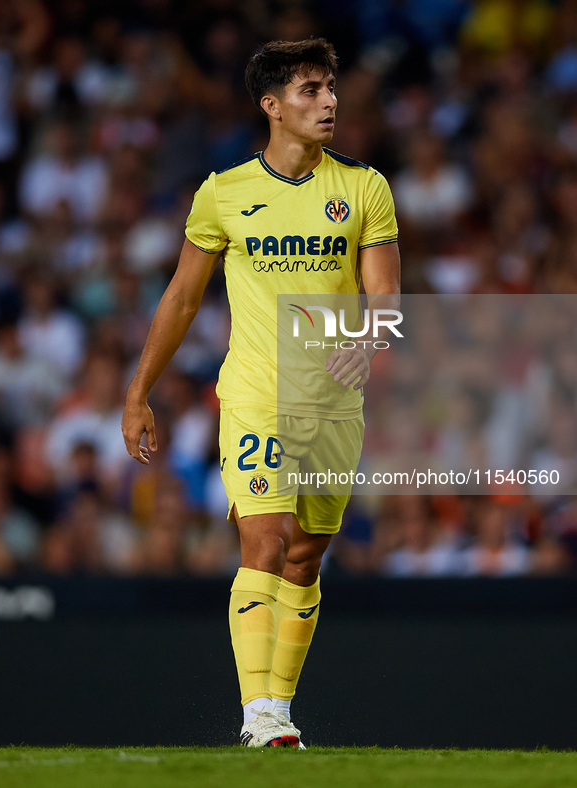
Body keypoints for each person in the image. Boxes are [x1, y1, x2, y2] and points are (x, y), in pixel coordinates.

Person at [121, 38, 400, 748]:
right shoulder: (223, 193)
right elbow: (182, 298)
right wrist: (138, 391)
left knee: (306, 556)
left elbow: (386, 298)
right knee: (266, 541)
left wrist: (366, 342)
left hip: (334, 403)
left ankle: (277, 709)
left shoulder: (364, 188)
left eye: (330, 87)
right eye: (310, 90)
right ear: (272, 106)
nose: (329, 100)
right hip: (255, 393)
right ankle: (261, 716)